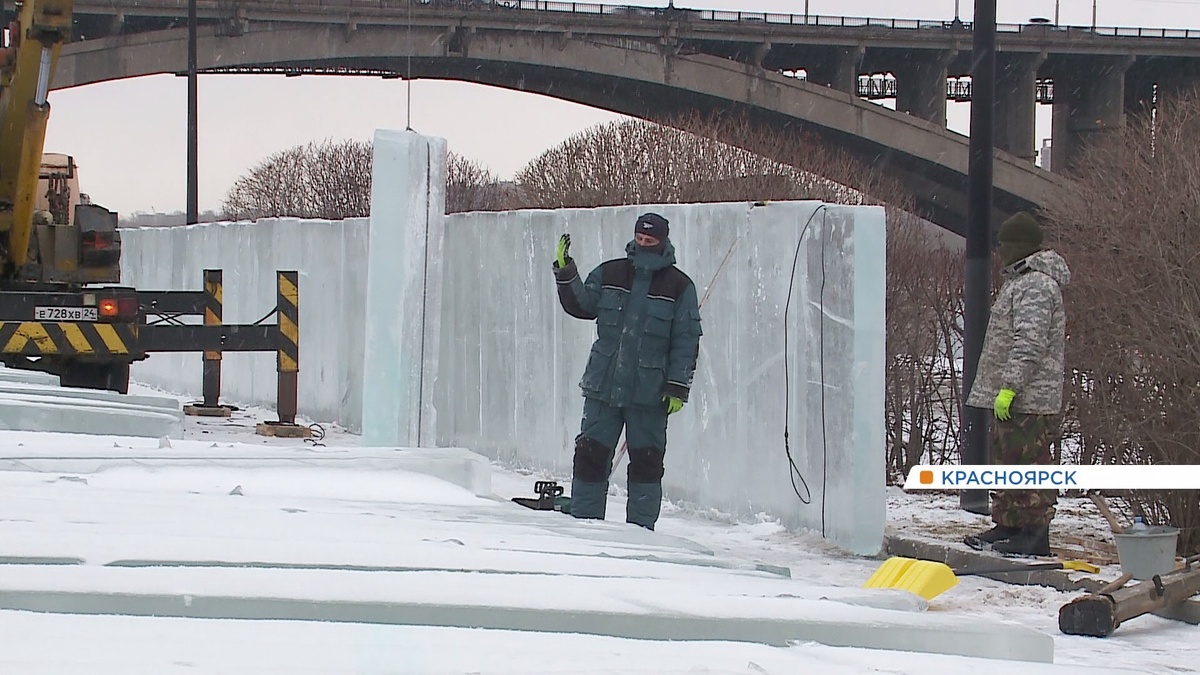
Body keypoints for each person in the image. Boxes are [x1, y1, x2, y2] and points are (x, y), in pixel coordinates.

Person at [551, 212, 702, 530]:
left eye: (651, 240)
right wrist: (566, 272)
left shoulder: (679, 286)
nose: (644, 244)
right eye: (640, 239)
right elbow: (582, 305)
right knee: (591, 455)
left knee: (646, 463)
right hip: (603, 386)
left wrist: (677, 385)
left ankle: (640, 531)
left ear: (663, 241)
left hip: (649, 393)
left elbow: (686, 340)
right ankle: (584, 523)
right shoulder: (610, 273)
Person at [964, 211, 1071, 556]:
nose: (999, 251)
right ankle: (1009, 525)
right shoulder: (1020, 282)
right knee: (1009, 461)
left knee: (1027, 464)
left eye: (1004, 245)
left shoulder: (1037, 285)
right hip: (1015, 396)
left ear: (1017, 248)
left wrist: (1010, 386)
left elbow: (1030, 341)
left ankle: (1034, 532)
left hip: (1029, 397)